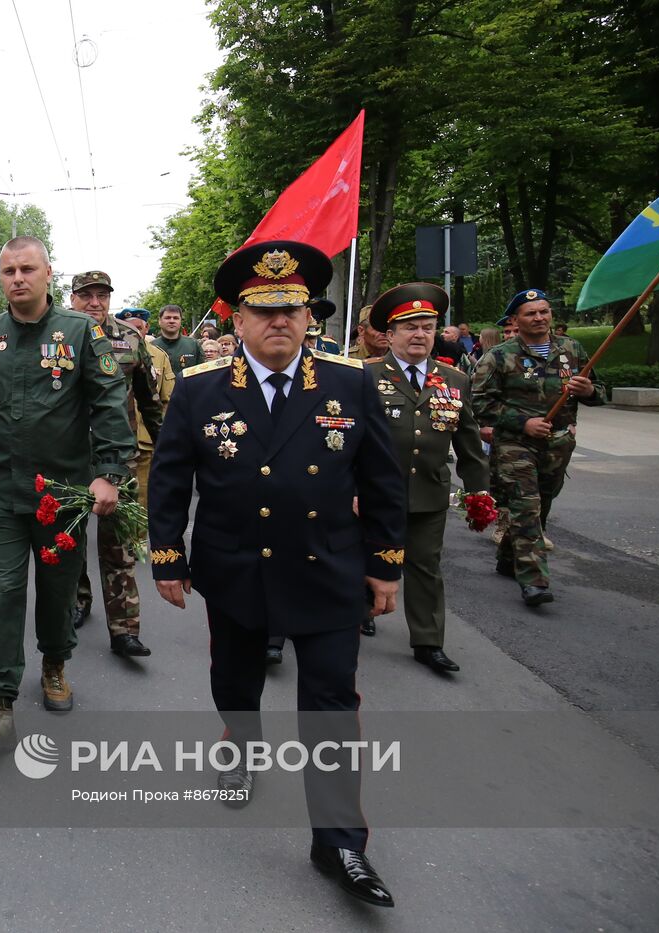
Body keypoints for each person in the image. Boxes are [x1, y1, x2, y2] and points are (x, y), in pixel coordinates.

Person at [149, 239, 405, 909]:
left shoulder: (350, 383)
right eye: (263, 311)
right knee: (236, 682)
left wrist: (385, 564)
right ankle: (242, 741)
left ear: (309, 316)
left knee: (330, 703)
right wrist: (167, 553)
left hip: (328, 568)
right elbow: (171, 477)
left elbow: (383, 480)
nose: (280, 321)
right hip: (236, 569)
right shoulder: (201, 389)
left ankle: (339, 842)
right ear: (237, 320)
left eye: (292, 309)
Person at [0, 236, 134, 755]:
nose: (17, 279)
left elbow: (109, 402)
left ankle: (54, 663)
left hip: (63, 495)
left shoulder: (80, 333)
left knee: (57, 591)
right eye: (8, 271)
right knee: (4, 593)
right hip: (2, 492)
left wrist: (109, 473)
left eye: (27, 269)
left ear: (48, 273)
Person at [364, 283, 490, 667]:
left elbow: (469, 443)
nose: (420, 334)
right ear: (390, 335)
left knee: (425, 566)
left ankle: (428, 641)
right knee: (362, 557)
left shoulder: (454, 380)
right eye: (410, 327)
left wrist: (479, 494)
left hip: (427, 491)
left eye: (428, 327)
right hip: (371, 492)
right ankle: (359, 611)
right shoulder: (364, 375)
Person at [472, 288, 603, 606]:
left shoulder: (571, 349)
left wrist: (588, 391)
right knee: (526, 505)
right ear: (516, 320)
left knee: (540, 505)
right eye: (530, 313)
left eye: (544, 311)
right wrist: (523, 422)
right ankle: (534, 581)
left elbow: (599, 391)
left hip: (557, 444)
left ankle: (508, 557)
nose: (539, 318)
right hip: (515, 444)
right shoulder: (499, 356)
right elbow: (479, 402)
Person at [67, 271, 161, 657]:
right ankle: (79, 600)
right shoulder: (58, 336)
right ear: (72, 298)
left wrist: (168, 449)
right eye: (86, 295)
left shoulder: (130, 338)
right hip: (70, 456)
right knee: (70, 539)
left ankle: (124, 630)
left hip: (117, 457)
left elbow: (149, 400)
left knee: (118, 544)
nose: (94, 302)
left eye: (101, 295)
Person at [118, 307, 176, 510]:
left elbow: (167, 399)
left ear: (146, 328)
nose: (133, 332)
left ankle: (140, 532)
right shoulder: (111, 350)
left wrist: (164, 437)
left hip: (145, 439)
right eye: (128, 328)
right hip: (119, 437)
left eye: (138, 327)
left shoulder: (158, 356)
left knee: (142, 500)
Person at [152, 304, 203, 375]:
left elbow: (202, 372)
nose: (172, 321)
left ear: (180, 321)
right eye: (167, 318)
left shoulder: (193, 345)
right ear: (160, 321)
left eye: (176, 318)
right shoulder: (151, 346)